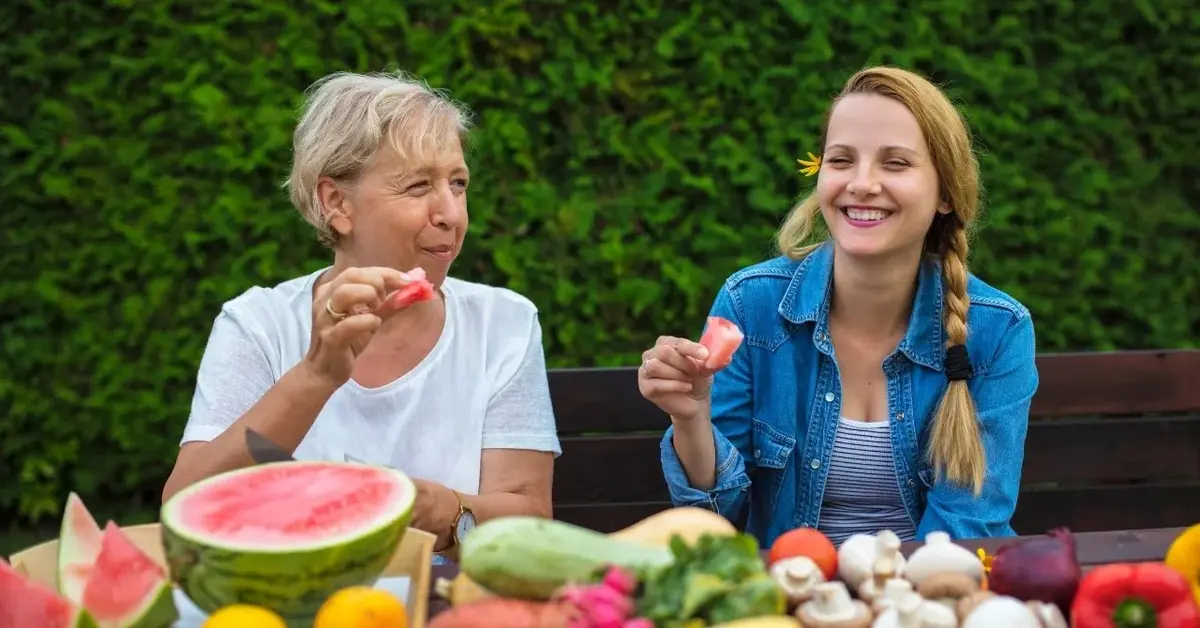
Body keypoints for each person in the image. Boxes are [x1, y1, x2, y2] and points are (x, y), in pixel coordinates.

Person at [162, 71, 561, 556]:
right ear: (337, 203)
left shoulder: (504, 324)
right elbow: (186, 509)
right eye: (418, 186)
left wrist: (446, 509)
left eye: (458, 184)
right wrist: (315, 376)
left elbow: (531, 515)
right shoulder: (258, 325)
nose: (452, 214)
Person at [638, 66, 1038, 547]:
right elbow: (720, 523)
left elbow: (967, 527)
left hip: (925, 599)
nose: (862, 183)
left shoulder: (997, 330)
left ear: (946, 194)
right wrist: (691, 419)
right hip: (790, 594)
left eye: (895, 163)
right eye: (842, 160)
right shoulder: (752, 305)